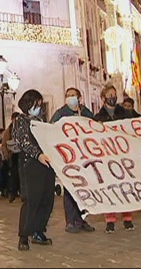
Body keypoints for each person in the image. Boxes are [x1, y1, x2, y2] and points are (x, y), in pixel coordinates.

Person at [14, 89, 55, 251]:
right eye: (35, 104)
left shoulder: (41, 121)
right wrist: (38, 155)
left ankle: (39, 230)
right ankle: (24, 235)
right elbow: (22, 141)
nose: (38, 107)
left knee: (47, 199)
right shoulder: (21, 120)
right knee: (32, 200)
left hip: (46, 164)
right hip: (31, 164)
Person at [50, 87, 95, 234]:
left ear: (79, 97)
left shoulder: (85, 112)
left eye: (73, 95)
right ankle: (70, 221)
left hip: (84, 155)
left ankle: (81, 219)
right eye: (68, 96)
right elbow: (51, 130)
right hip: (69, 156)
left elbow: (94, 126)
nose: (70, 98)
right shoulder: (60, 113)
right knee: (70, 188)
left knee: (84, 189)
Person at [93, 85, 135, 233]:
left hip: (123, 157)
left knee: (125, 187)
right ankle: (110, 220)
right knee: (110, 189)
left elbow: (138, 123)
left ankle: (128, 218)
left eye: (114, 95)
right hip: (107, 159)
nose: (113, 97)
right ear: (104, 98)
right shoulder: (98, 117)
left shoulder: (125, 114)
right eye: (110, 95)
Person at [2, 112, 21, 203]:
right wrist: (6, 155)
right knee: (13, 175)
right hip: (13, 155)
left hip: (22, 154)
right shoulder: (8, 131)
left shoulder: (22, 129)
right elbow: (4, 144)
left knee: (22, 174)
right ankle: (12, 193)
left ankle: (22, 193)